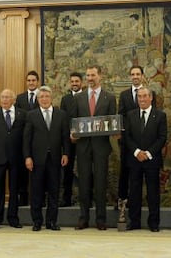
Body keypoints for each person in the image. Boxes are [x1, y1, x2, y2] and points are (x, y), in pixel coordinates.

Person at [71, 65, 116, 231]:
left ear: (100, 76)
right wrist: (72, 133)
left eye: (93, 75)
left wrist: (116, 131)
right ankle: (83, 218)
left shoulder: (109, 98)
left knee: (100, 183)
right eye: (88, 75)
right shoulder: (79, 98)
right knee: (83, 183)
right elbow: (73, 121)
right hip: (82, 147)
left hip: (101, 147)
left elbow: (112, 122)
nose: (90, 78)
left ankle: (101, 219)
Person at [23, 86, 70, 231]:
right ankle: (37, 222)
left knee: (54, 191)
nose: (44, 99)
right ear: (38, 100)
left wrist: (66, 153)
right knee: (36, 192)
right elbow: (26, 139)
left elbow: (65, 137)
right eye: (41, 97)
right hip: (37, 160)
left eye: (46, 96)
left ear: (51, 98)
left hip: (55, 159)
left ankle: (51, 222)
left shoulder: (61, 114)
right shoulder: (31, 115)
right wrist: (27, 157)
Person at [124, 87, 167, 232]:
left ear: (151, 98)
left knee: (153, 192)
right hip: (134, 159)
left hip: (151, 160)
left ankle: (153, 223)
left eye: (144, 96)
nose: (141, 99)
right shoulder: (130, 115)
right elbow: (127, 137)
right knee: (134, 192)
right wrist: (137, 152)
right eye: (139, 97)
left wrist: (148, 153)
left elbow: (162, 138)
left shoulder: (160, 115)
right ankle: (134, 222)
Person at [117, 66, 156, 207]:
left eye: (137, 74)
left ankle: (142, 202)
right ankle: (122, 200)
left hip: (147, 144)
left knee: (147, 177)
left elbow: (153, 117)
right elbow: (121, 116)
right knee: (125, 172)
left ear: (142, 76)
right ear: (129, 77)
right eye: (132, 74)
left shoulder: (150, 93)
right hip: (128, 142)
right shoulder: (124, 95)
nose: (135, 76)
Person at [0, 89, 26, 230]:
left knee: (14, 190)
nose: (4, 100)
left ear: (13, 100)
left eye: (7, 97)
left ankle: (13, 218)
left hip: (16, 158)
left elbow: (24, 137)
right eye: (2, 97)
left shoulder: (22, 114)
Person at [15, 70, 40, 206]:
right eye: (29, 80)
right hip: (23, 140)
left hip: (38, 139)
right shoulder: (19, 98)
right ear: (26, 82)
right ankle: (23, 201)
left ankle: (39, 201)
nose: (31, 83)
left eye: (33, 80)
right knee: (22, 173)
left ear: (37, 82)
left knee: (39, 171)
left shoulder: (43, 96)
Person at [59, 72, 83, 207]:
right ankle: (66, 198)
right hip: (69, 140)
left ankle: (87, 199)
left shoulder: (86, 97)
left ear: (81, 83)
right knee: (67, 170)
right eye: (72, 81)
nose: (74, 83)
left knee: (86, 169)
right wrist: (70, 134)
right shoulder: (65, 99)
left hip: (84, 140)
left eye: (77, 81)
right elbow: (63, 119)